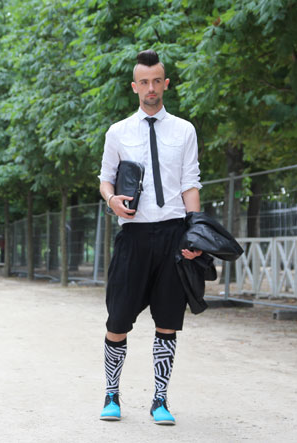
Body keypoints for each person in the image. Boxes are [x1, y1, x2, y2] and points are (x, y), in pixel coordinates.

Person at [98, 49, 203, 425]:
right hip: (134, 236)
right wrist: (112, 200)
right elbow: (105, 178)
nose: (151, 88)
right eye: (144, 82)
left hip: (174, 234)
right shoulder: (118, 132)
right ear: (134, 86)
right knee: (118, 319)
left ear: (166, 83)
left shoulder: (184, 130)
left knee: (168, 321)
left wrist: (196, 235)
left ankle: (160, 400)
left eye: (157, 80)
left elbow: (190, 184)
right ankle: (112, 394)